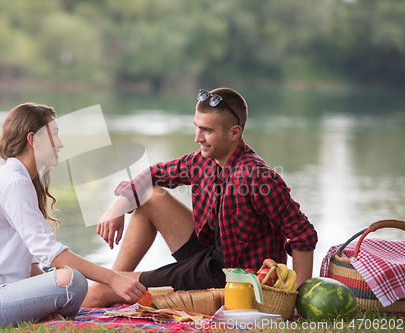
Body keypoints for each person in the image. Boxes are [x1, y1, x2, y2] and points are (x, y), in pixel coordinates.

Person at [83, 88, 318, 308]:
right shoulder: (203, 160)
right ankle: (116, 283)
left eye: (207, 131)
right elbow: (154, 173)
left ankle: (109, 289)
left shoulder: (256, 178)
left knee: (101, 289)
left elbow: (303, 235)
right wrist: (117, 207)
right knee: (149, 196)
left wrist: (295, 302)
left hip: (233, 278)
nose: (198, 138)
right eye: (197, 127)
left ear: (234, 132)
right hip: (208, 253)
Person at [0, 103, 146, 327]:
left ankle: (40, 315)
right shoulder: (14, 182)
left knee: (65, 274)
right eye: (54, 134)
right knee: (73, 281)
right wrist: (112, 278)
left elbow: (28, 265)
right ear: (33, 139)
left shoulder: (20, 179)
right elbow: (50, 252)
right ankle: (42, 314)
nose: (60, 143)